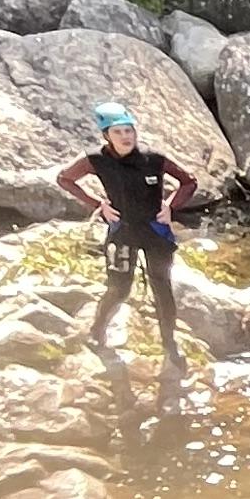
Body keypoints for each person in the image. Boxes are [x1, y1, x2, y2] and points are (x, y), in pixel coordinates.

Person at [56, 103, 203, 374]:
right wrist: (98, 204)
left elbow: (189, 181)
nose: (126, 137)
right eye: (118, 132)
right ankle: (97, 331)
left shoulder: (153, 159)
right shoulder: (96, 160)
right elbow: (65, 178)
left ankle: (169, 343)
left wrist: (170, 207)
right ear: (106, 136)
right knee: (119, 289)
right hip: (122, 231)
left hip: (155, 232)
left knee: (162, 287)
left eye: (129, 131)